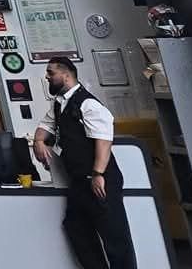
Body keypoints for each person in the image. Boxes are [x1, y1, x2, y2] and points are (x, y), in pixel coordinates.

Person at [32, 57, 136, 269]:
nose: (47, 77)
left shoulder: (88, 104)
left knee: (114, 236)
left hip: (100, 179)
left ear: (66, 75)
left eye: (51, 73)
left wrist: (98, 173)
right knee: (75, 227)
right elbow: (45, 126)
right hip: (79, 181)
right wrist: (38, 141)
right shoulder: (60, 103)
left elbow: (103, 141)